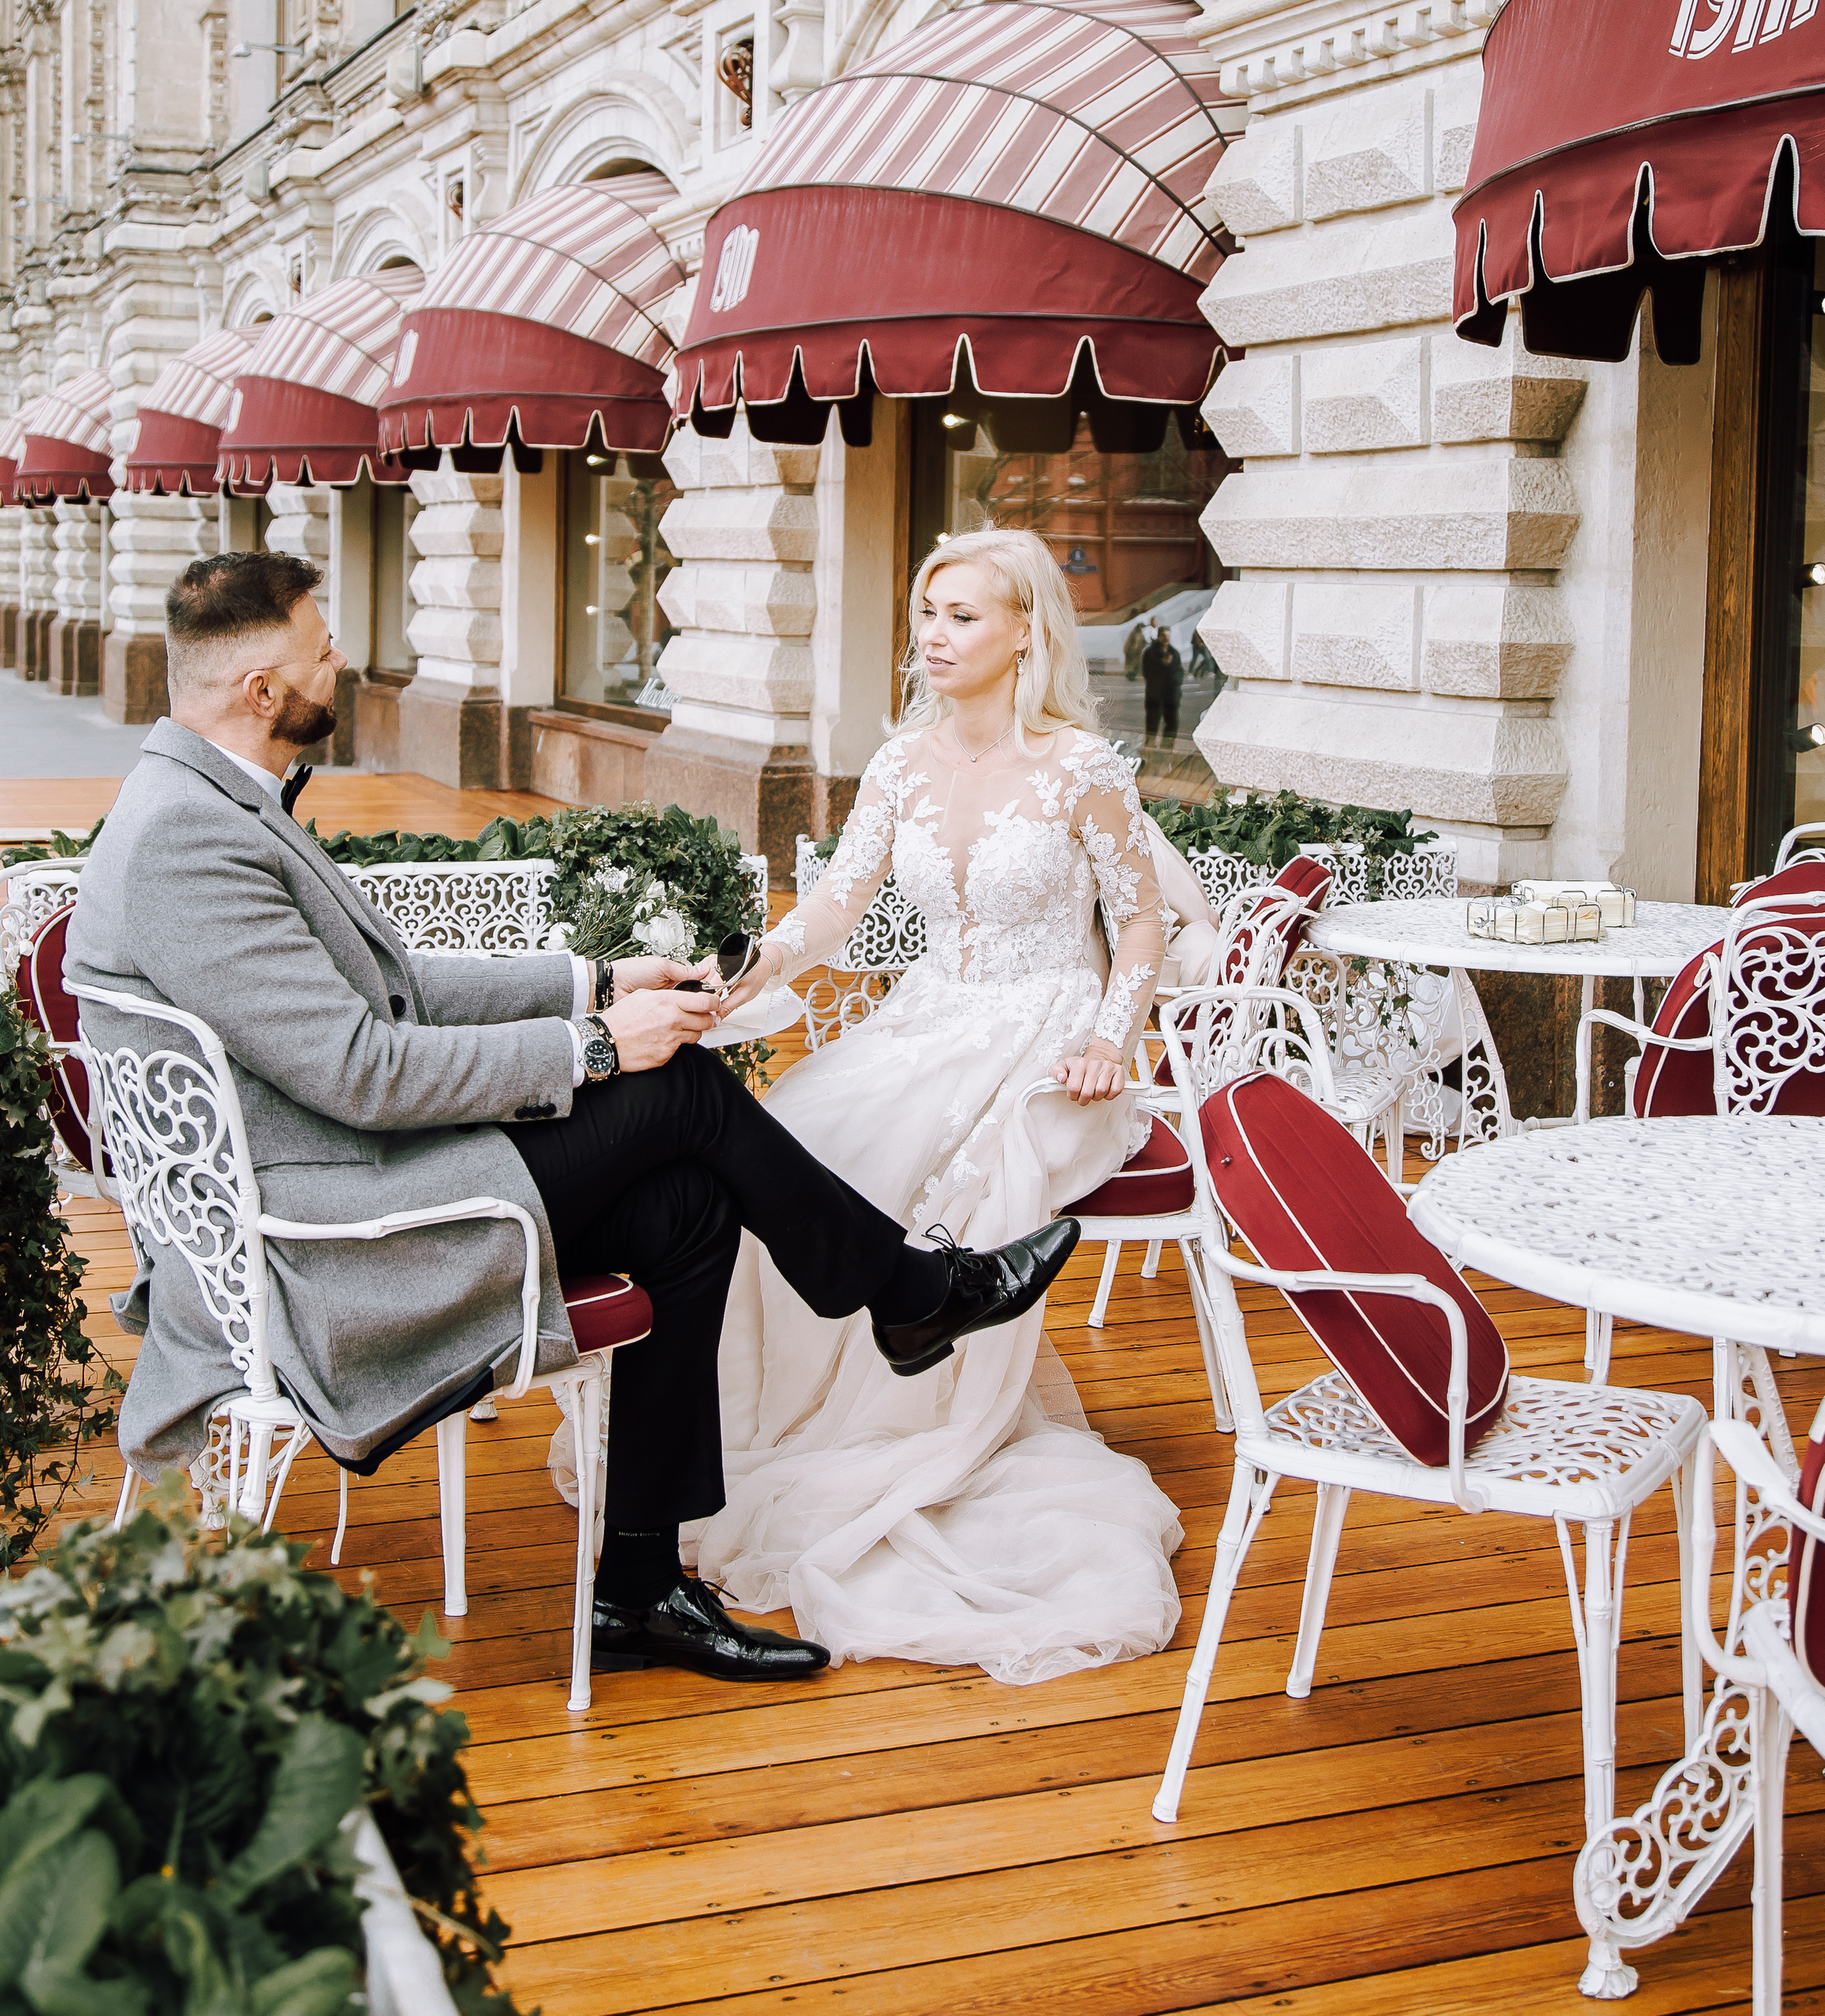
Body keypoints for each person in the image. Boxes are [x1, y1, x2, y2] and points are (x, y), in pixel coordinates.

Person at [63, 552, 1080, 1688]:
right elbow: (364, 1072)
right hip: (330, 1235)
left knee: (688, 1205)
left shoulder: (213, 803)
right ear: (264, 692)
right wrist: (598, 1047)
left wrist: (595, 982)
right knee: (678, 1090)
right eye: (321, 649)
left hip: (355, 1174)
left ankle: (640, 1589)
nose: (339, 662)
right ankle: (911, 1292)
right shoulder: (189, 839)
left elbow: (398, 989)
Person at [704, 526, 1183, 1684]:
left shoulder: (1083, 769)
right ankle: (794, 1419)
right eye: (929, 612)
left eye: (964, 615)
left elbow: (1142, 925)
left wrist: (1109, 1041)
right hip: (931, 1013)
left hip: (1050, 1033)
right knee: (796, 1140)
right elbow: (838, 903)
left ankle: (916, 1416)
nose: (935, 634)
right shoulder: (899, 765)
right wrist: (766, 962)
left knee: (924, 1171)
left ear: (1026, 631)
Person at [1141, 624, 1183, 742]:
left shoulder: (1174, 653)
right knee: (1152, 724)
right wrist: (1162, 665)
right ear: (1159, 637)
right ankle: (1150, 747)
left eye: (1168, 636)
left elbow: (1179, 672)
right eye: (1164, 636)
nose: (1166, 638)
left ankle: (1167, 748)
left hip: (1171, 696)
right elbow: (1148, 673)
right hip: (1155, 696)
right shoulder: (1150, 653)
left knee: (1171, 724)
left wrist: (1176, 686)